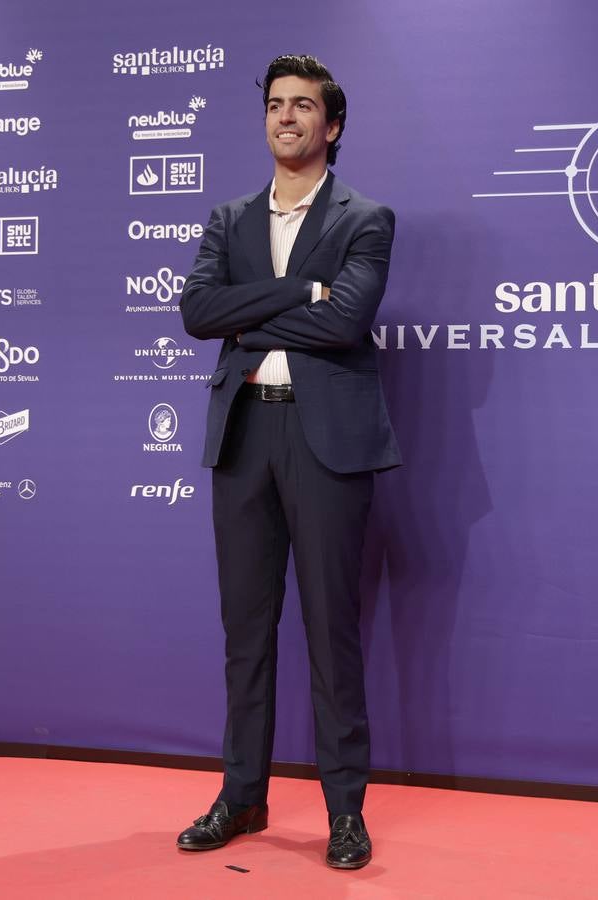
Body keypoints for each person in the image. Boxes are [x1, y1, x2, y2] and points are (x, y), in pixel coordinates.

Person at [176, 54, 399, 870]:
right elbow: (197, 311)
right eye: (275, 105)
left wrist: (256, 318)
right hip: (243, 439)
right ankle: (241, 797)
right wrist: (299, 294)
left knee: (331, 633)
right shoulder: (227, 217)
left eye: (303, 106)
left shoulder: (365, 218)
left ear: (331, 126)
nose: (286, 117)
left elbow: (345, 324)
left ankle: (345, 812)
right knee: (246, 633)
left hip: (324, 439)